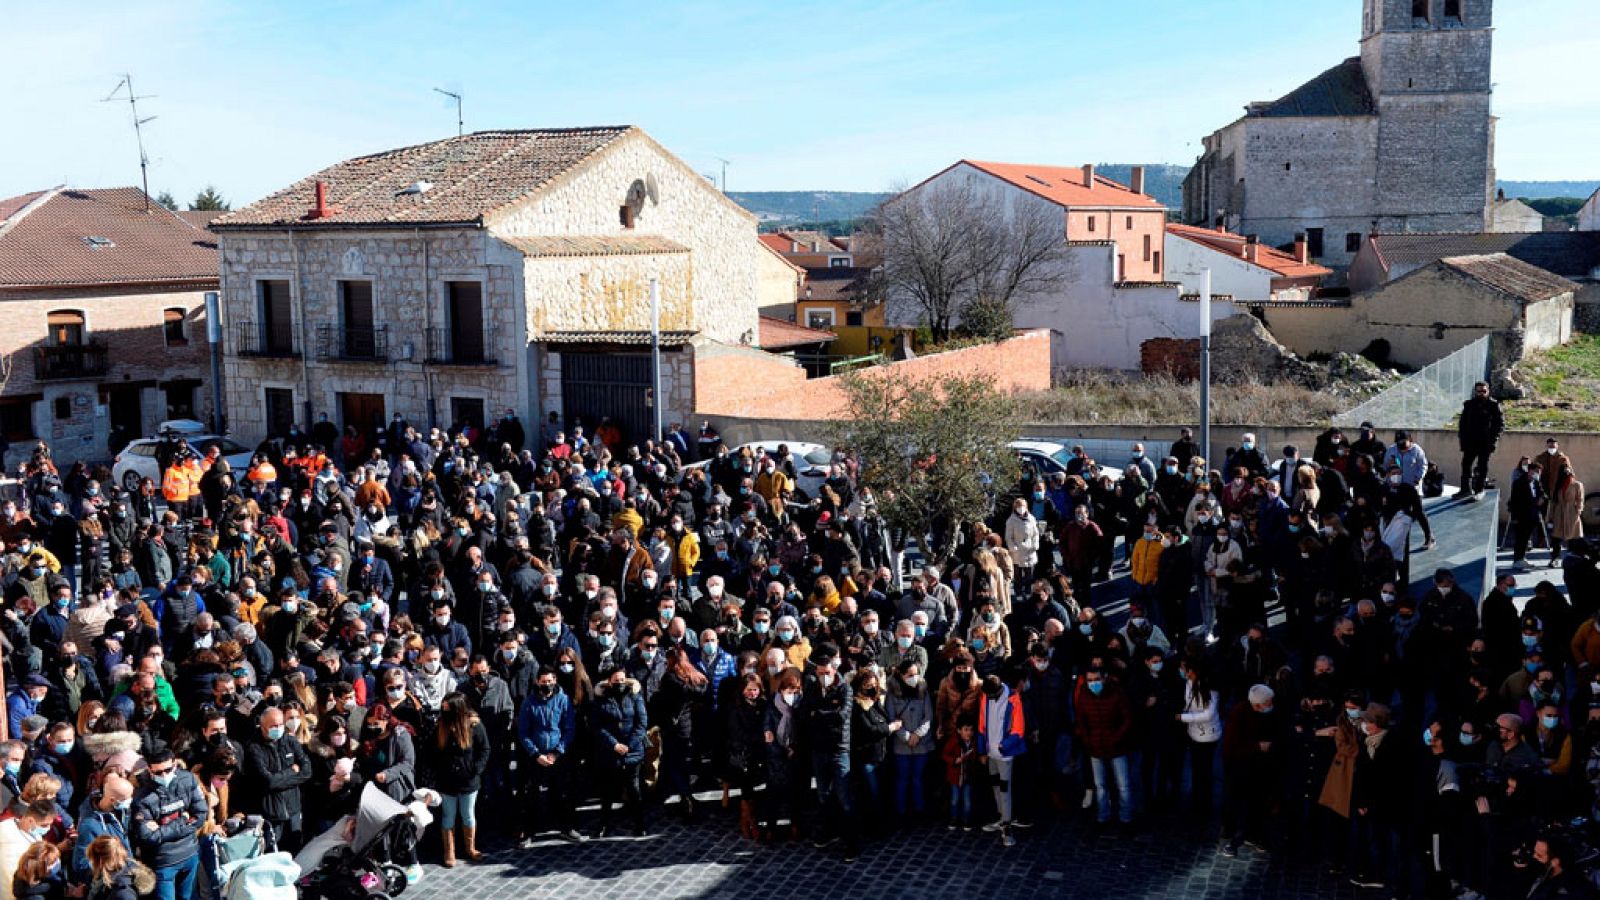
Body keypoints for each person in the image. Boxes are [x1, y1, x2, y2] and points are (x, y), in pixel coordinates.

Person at [130, 749, 207, 900]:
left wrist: (162, 828)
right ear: (150, 770)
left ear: (175, 764)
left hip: (190, 854)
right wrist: (184, 819)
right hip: (163, 862)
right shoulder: (141, 797)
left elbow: (200, 815)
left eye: (168, 770)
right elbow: (148, 837)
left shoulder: (188, 779)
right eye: (158, 773)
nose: (164, 776)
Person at [517, 668, 578, 842]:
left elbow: (569, 728)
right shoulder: (529, 702)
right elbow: (523, 732)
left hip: (557, 755)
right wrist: (535, 754)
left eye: (550, 681)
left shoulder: (563, 700)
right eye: (543, 682)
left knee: (561, 794)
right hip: (536, 755)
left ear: (555, 680)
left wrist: (557, 752)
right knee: (532, 796)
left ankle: (566, 828)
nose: (547, 685)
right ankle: (528, 832)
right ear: (537, 682)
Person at [432, 692, 491, 866]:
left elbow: (484, 749)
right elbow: (433, 751)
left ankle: (470, 847)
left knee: (468, 815)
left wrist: (476, 769)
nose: (445, 712)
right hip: (447, 780)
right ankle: (449, 851)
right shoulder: (441, 726)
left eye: (448, 709)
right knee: (448, 816)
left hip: (468, 780)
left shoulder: (474, 726)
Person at [590, 668, 648, 838]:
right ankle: (604, 824)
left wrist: (629, 745)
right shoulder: (600, 700)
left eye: (622, 680)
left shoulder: (635, 696)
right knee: (607, 790)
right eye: (616, 681)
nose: (620, 684)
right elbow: (597, 726)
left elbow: (642, 722)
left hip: (632, 750)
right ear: (609, 682)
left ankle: (640, 823)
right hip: (610, 751)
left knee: (634, 788)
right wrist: (614, 744)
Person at [243, 706, 310, 852]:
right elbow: (268, 782)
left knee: (295, 851)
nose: (278, 728)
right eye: (273, 726)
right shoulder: (253, 747)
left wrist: (279, 779)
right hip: (271, 816)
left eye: (280, 725)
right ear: (262, 725)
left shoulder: (290, 741)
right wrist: (291, 771)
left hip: (293, 811)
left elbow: (306, 771)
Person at [1456, 381, 1503, 500]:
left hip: (1485, 442)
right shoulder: (1469, 405)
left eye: (1484, 391)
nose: (1481, 393)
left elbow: (1499, 425)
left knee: (1482, 466)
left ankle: (1479, 490)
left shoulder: (1493, 405)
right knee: (1466, 464)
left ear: (1488, 391)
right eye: (1479, 391)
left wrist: (1493, 441)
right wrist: (1463, 440)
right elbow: (1463, 424)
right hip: (1470, 441)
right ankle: (1465, 489)